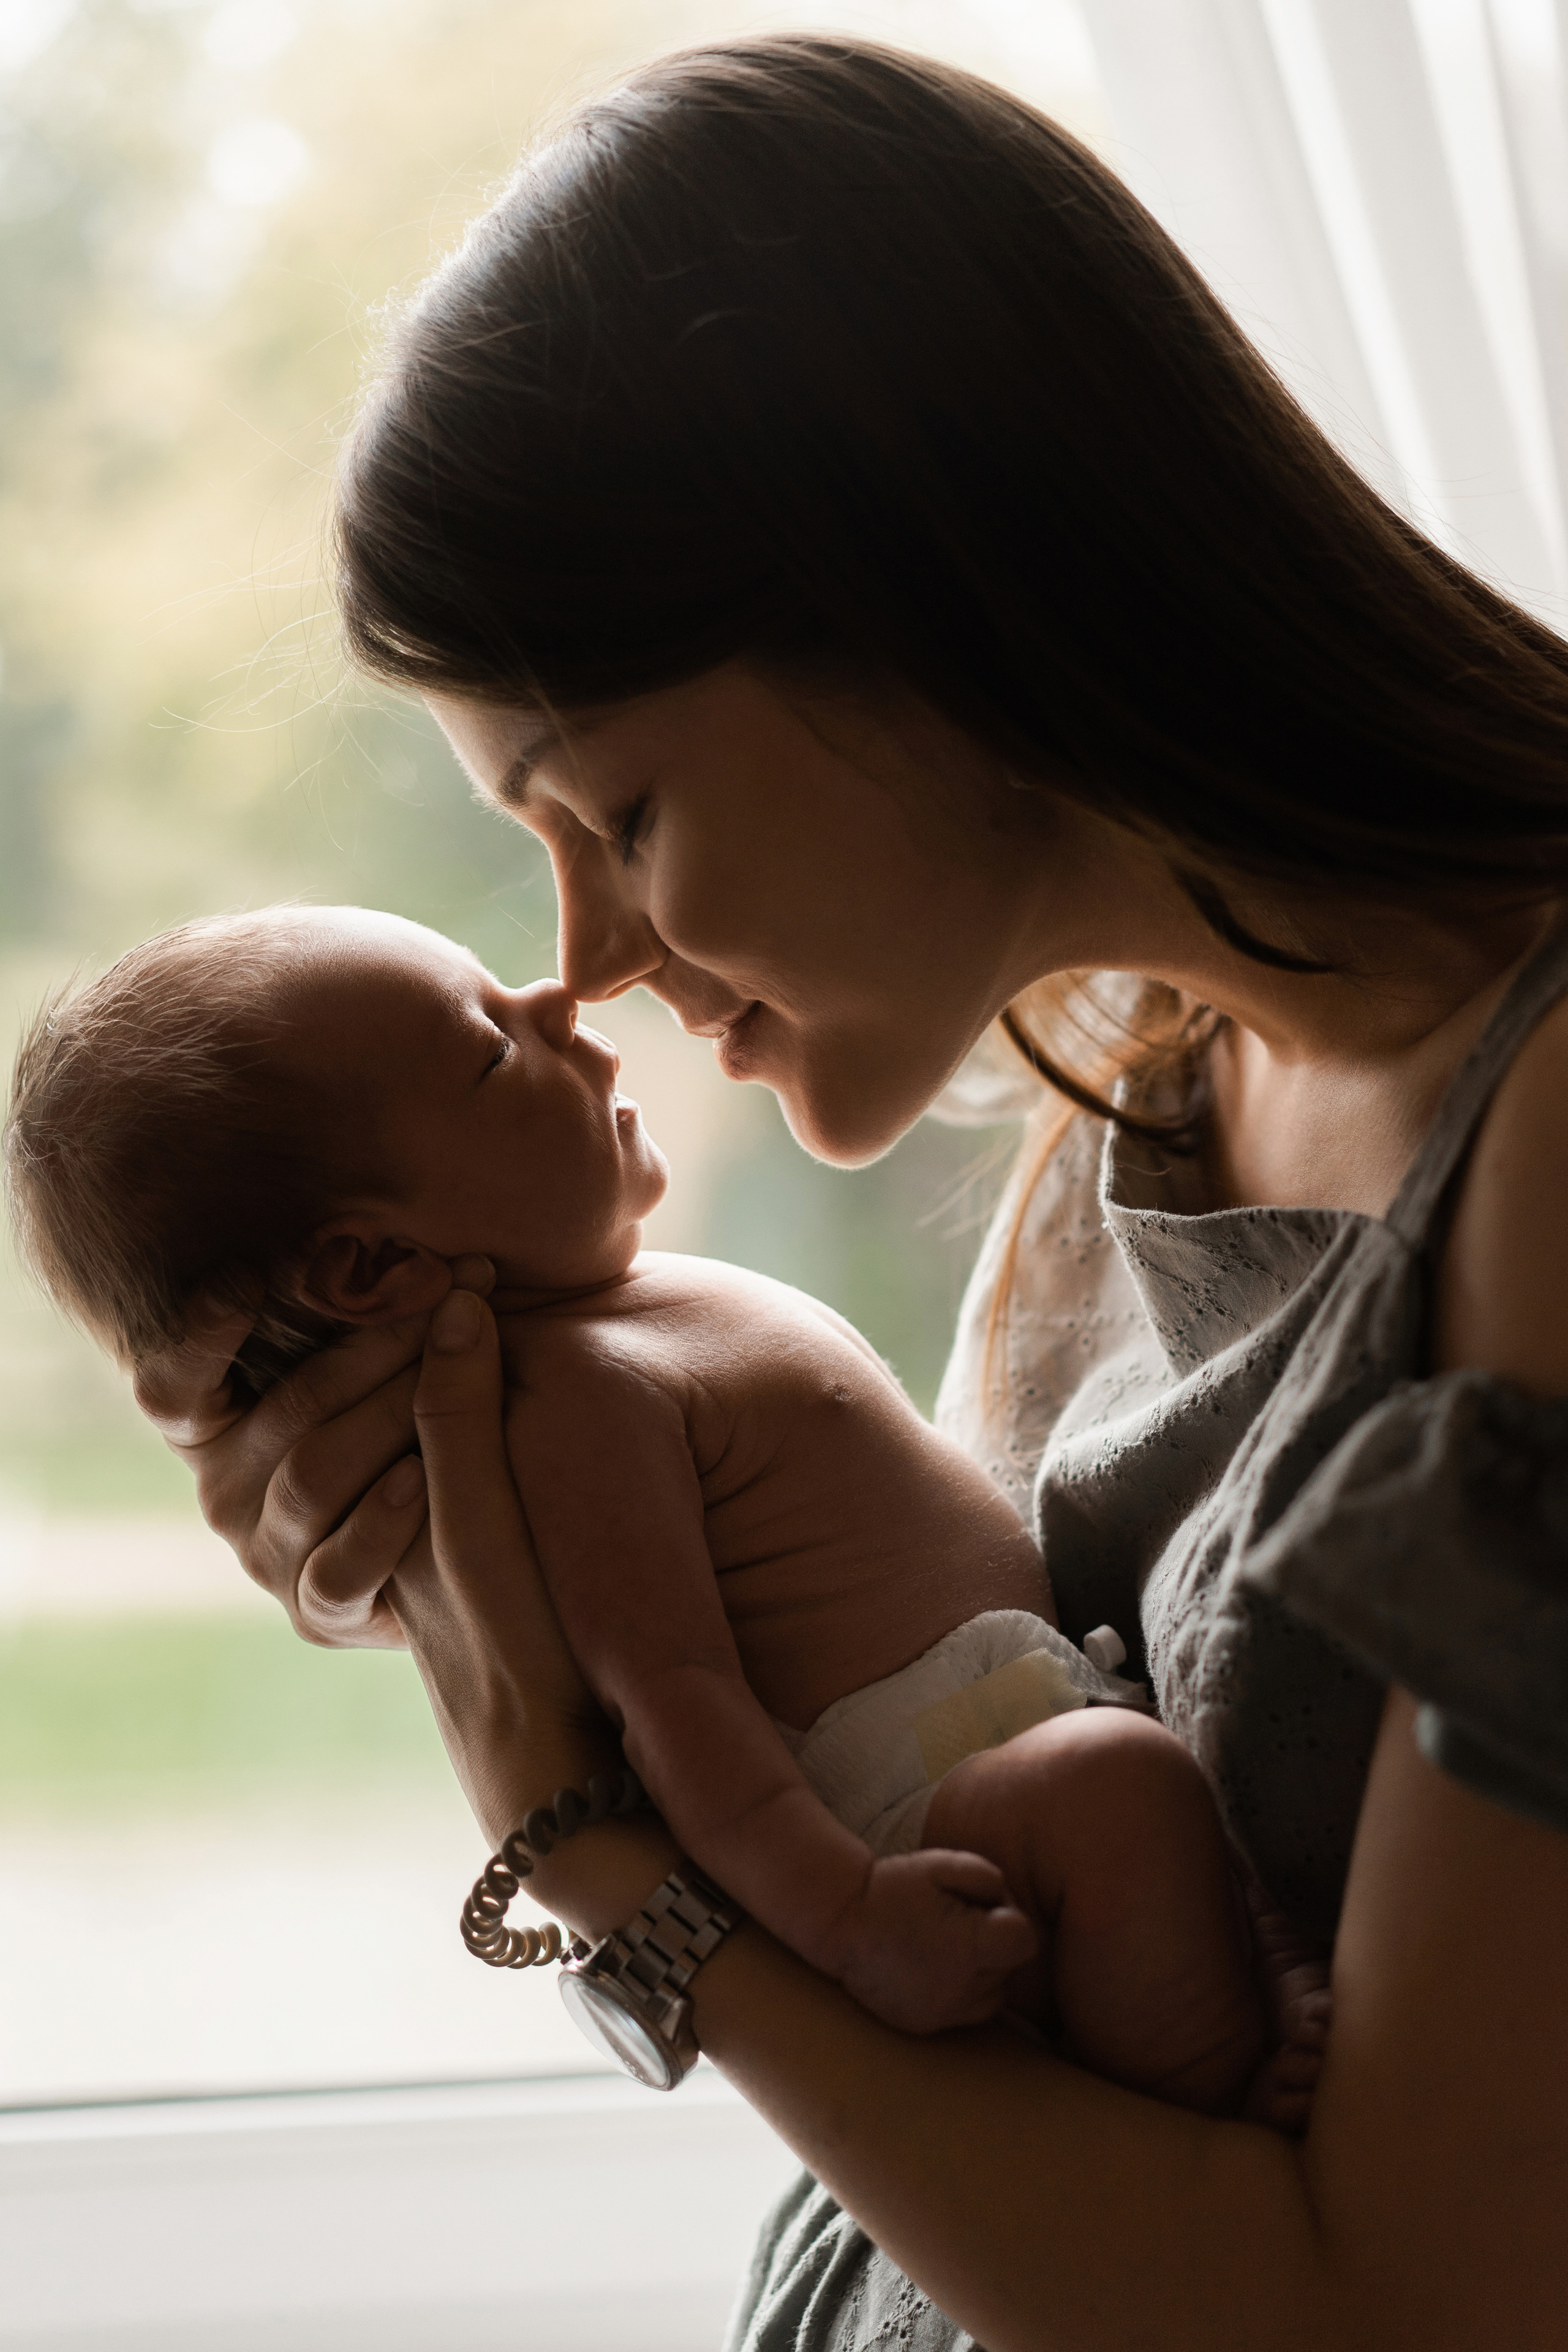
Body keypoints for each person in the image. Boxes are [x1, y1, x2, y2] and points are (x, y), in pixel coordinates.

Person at [131, 34, 1568, 2351]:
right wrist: (485, 1551)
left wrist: (591, 1858)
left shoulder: (1551, 1139)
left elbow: (1398, 2310)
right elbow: (972, 1979)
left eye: (614, 808)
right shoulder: (1128, 1108)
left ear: (924, 603)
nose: (586, 961)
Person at [7, 902, 1266, 2095]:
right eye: (491, 1049)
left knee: (1120, 1799)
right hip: (917, 1808)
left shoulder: (627, 1330)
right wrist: (843, 1913)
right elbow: (675, 1701)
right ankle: (1216, 2084)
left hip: (982, 1737)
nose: (556, 999)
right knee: (1112, 1791)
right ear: (371, 1262)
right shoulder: (581, 1402)